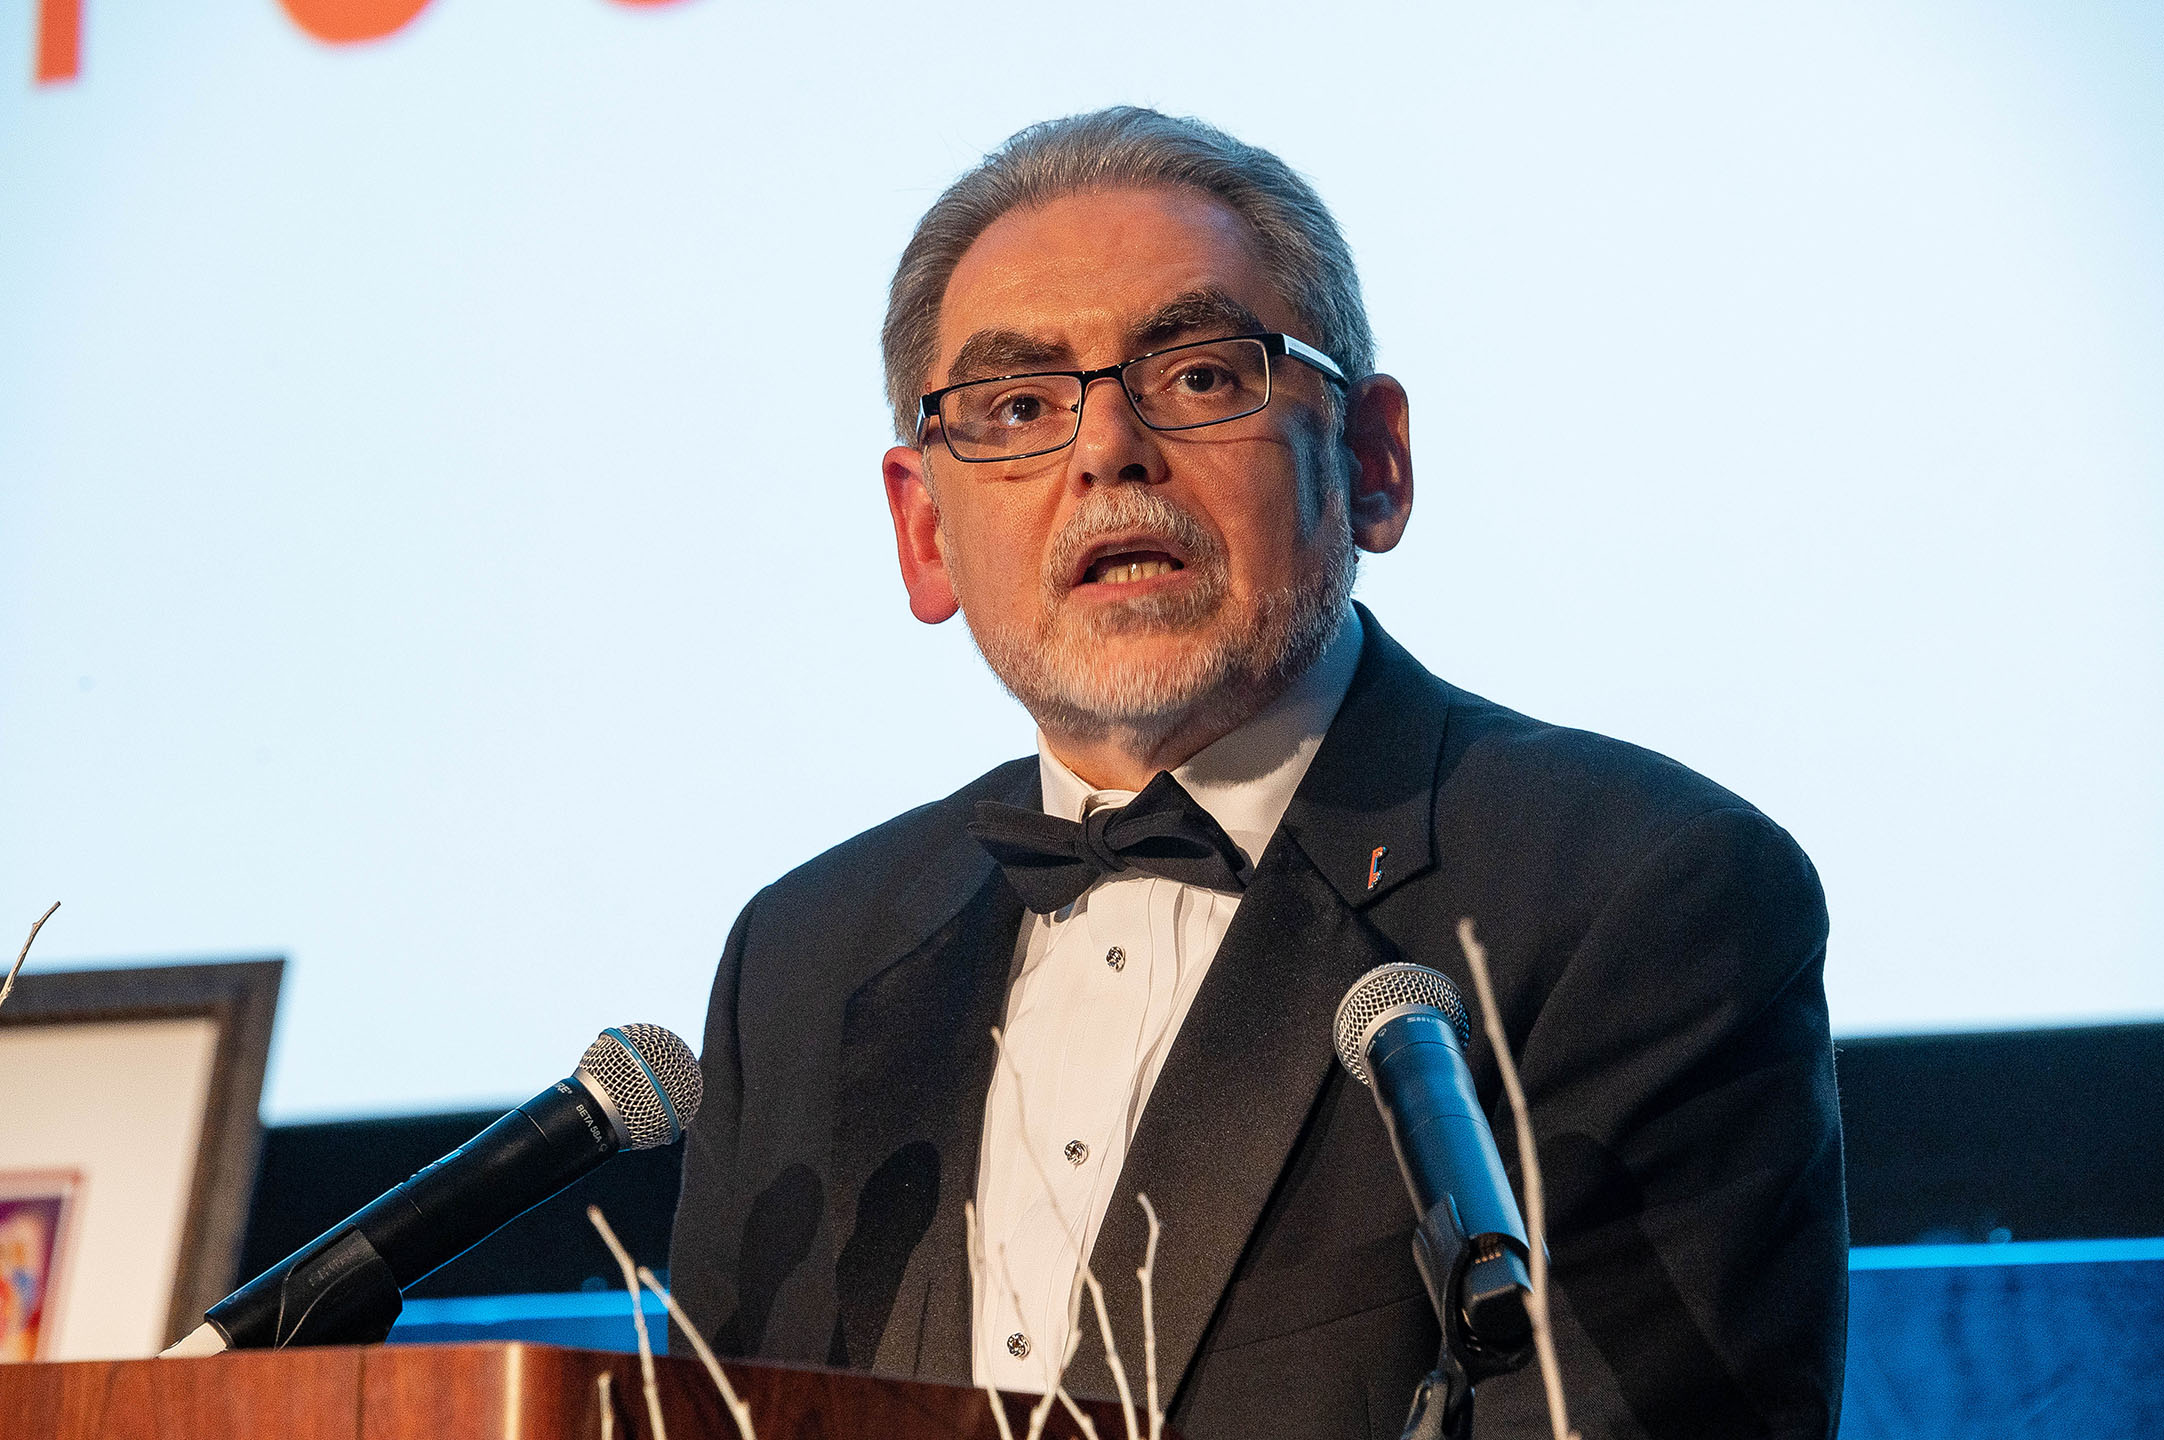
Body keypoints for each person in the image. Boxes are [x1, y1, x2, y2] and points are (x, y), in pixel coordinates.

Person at [668, 107, 1846, 1440]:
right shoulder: (802, 961)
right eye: (1016, 407)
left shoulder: (1636, 895)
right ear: (924, 530)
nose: (1107, 451)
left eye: (1203, 376)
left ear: (1373, 460)